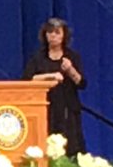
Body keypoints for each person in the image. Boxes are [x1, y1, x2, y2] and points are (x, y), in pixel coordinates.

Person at [22, 17, 87, 155]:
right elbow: (28, 80)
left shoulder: (72, 56)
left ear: (64, 35)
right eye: (49, 32)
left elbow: (82, 83)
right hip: (46, 108)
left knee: (71, 147)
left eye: (57, 32)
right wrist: (50, 76)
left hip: (67, 109)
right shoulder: (38, 57)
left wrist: (70, 70)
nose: (53, 36)